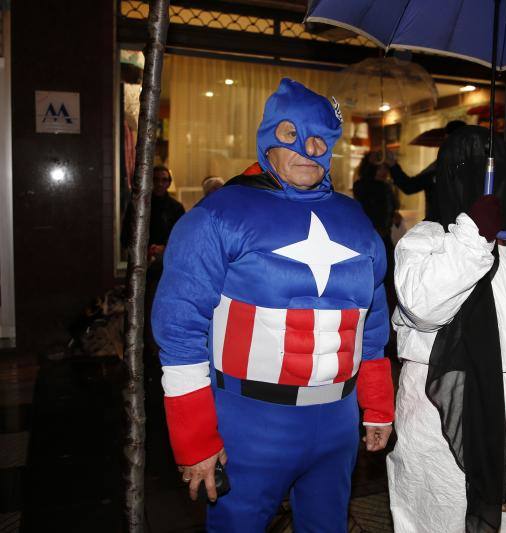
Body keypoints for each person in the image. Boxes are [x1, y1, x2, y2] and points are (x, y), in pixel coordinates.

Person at [151, 78, 394, 532]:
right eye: (291, 134)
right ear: (267, 137)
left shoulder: (357, 221)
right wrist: (195, 440)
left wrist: (377, 405)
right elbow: (179, 327)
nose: (308, 147)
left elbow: (373, 321)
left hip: (337, 423)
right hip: (249, 424)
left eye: (320, 138)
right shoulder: (218, 215)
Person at [387, 126, 506, 532]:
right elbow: (425, 307)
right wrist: (473, 237)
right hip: (440, 414)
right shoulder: (423, 243)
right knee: (435, 518)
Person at [388, 119, 466, 220]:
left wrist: (393, 165)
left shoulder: (440, 166)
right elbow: (409, 186)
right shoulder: (439, 166)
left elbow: (409, 186)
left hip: (445, 226)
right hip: (445, 226)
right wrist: (393, 165)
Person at [121, 165, 185, 259]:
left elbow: (181, 236)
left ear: (169, 183)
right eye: (156, 179)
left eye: (164, 180)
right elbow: (126, 234)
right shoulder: (137, 205)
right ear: (150, 181)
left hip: (167, 260)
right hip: (140, 260)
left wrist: (165, 248)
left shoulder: (176, 208)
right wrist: (141, 250)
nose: (160, 183)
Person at [353, 152, 397, 242]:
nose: (383, 172)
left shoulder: (386, 186)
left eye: (385, 168)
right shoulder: (362, 186)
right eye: (379, 168)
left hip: (385, 235)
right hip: (368, 236)